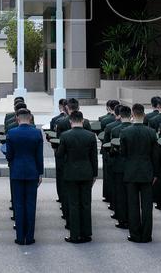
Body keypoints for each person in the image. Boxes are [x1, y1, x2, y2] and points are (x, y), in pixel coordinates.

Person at [56, 109, 97, 244]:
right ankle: (87, 233)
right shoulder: (90, 136)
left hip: (71, 173)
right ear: (83, 121)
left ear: (70, 121)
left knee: (73, 204)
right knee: (86, 203)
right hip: (86, 172)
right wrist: (94, 174)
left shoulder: (65, 136)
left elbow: (60, 155)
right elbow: (94, 157)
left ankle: (74, 234)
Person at [4, 108, 42, 245]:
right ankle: (30, 236)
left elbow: (9, 155)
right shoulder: (37, 133)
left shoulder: (11, 133)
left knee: (19, 205)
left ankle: (20, 237)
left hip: (17, 171)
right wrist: (40, 172)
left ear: (17, 118)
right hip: (32, 171)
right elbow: (39, 155)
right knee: (31, 205)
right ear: (30, 118)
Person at [120, 103, 157, 244]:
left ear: (132, 115)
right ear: (144, 115)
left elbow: (123, 154)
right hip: (147, 171)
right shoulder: (151, 132)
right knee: (147, 206)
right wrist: (156, 173)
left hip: (131, 171)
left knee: (133, 204)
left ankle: (135, 234)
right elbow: (155, 156)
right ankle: (147, 234)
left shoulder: (125, 132)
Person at [104, 105, 132, 229]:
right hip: (132, 166)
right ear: (130, 115)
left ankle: (122, 219)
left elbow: (110, 148)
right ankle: (132, 219)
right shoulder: (139, 129)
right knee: (132, 195)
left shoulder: (114, 129)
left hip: (118, 165)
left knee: (120, 194)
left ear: (119, 115)